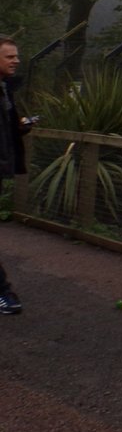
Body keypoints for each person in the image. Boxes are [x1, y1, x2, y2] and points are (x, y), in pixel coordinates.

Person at [0, 37, 30, 315]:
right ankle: (3, 292)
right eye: (10, 56)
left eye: (16, 56)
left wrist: (21, 127)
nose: (16, 60)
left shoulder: (6, 90)